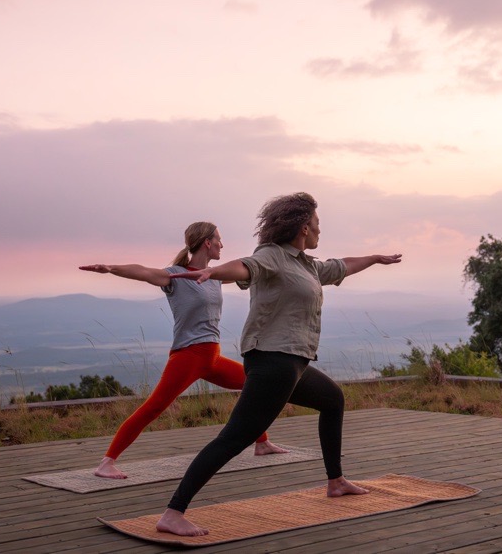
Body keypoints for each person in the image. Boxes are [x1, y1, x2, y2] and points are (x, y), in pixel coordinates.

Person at [156, 193, 402, 536]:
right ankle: (173, 513)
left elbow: (340, 265)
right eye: (317, 224)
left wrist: (375, 258)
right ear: (304, 227)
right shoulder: (271, 256)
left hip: (293, 362)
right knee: (234, 438)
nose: (319, 230)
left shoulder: (306, 264)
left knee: (333, 400)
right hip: (273, 362)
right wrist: (212, 273)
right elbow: (245, 267)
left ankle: (336, 481)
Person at [79, 221, 287, 480]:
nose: (222, 244)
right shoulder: (175, 276)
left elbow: (250, 268)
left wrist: (279, 251)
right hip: (188, 356)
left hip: (211, 357)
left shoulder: (215, 276)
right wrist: (111, 268)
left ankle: (262, 443)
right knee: (154, 407)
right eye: (219, 240)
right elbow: (143, 271)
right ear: (207, 243)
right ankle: (107, 462)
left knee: (255, 387)